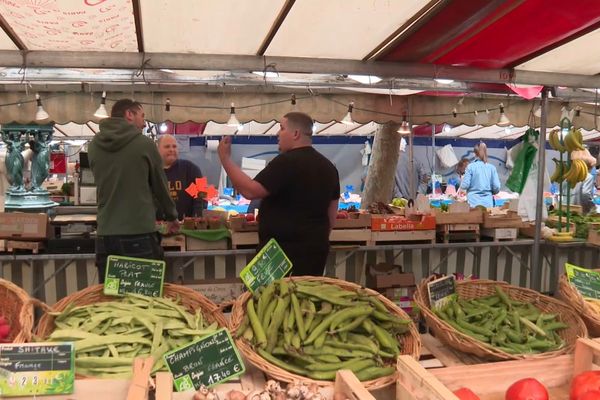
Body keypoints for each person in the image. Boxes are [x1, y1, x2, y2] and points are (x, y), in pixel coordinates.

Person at [217, 112, 340, 276]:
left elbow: (250, 190)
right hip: (315, 253)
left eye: (281, 128)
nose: (277, 134)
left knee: (266, 299)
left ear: (295, 134)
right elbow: (331, 218)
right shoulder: (329, 168)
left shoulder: (286, 162)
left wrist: (225, 159)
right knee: (306, 300)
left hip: (279, 255)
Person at [88, 99, 179, 283]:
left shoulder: (94, 145)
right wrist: (172, 216)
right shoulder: (144, 144)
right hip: (138, 234)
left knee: (111, 298)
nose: (144, 123)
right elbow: (160, 187)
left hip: (105, 235)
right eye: (142, 116)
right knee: (144, 299)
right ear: (129, 114)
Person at [157, 134, 205, 219]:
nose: (171, 149)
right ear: (157, 150)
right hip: (158, 226)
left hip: (186, 226)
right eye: (167, 147)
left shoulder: (191, 169)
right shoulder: (152, 171)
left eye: (174, 146)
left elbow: (201, 196)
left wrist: (196, 219)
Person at [458, 143, 500, 208]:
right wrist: (489, 192)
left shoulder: (470, 167)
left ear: (474, 154)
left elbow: (464, 185)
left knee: (475, 217)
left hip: (473, 203)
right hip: (488, 204)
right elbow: (497, 188)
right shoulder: (492, 168)